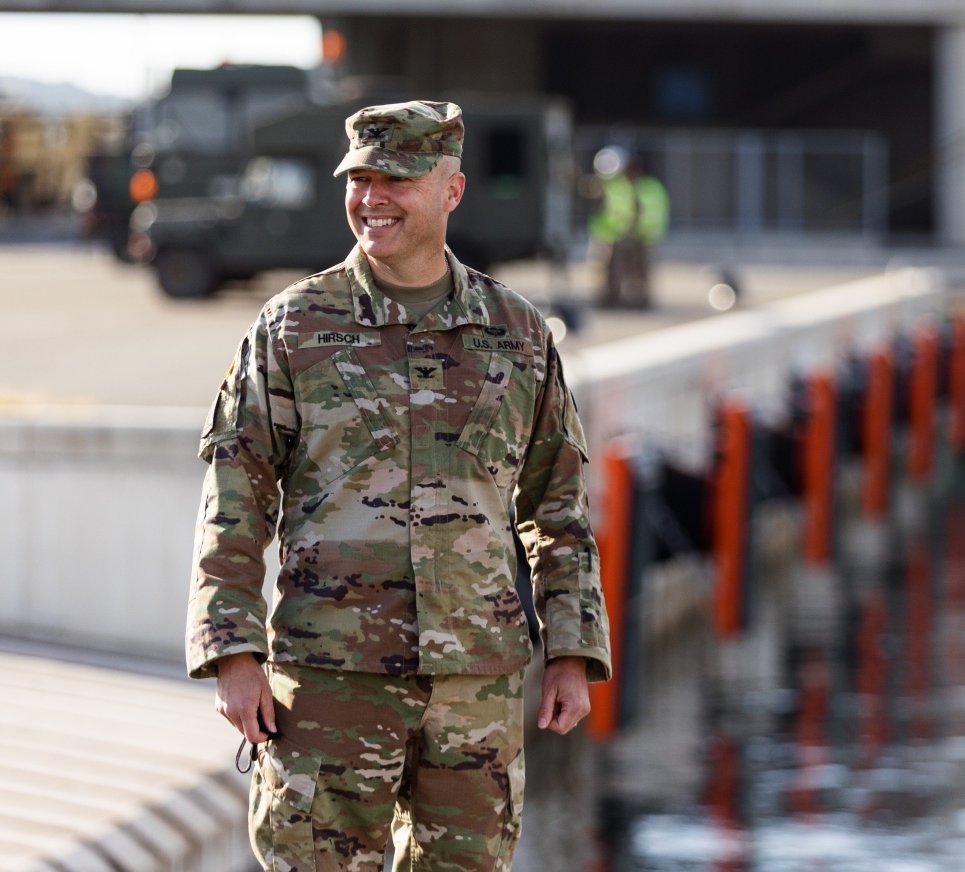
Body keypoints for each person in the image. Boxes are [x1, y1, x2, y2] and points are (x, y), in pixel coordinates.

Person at [187, 100, 611, 872]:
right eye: (360, 177)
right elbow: (236, 494)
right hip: (329, 678)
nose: (372, 196)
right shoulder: (292, 327)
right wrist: (232, 650)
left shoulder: (517, 334)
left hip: (475, 681)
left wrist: (572, 649)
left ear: (451, 190)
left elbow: (556, 503)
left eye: (397, 179)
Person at [587, 146, 669, 309]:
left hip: (641, 236)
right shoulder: (617, 186)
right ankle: (614, 299)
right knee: (613, 270)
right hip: (616, 235)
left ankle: (639, 300)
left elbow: (647, 212)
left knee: (639, 271)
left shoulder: (647, 187)